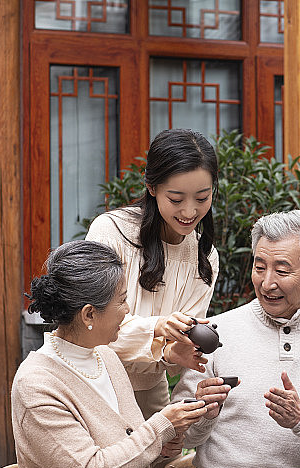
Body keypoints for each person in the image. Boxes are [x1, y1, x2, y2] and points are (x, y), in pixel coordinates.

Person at [12, 240, 211, 468]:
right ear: (89, 314)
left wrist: (171, 438)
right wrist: (160, 427)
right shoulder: (37, 385)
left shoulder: (106, 357)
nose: (128, 309)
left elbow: (130, 449)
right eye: (121, 300)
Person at [171, 210, 300, 468]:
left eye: (281, 270)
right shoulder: (215, 332)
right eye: (259, 267)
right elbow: (179, 436)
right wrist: (203, 414)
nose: (267, 283)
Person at [86, 128, 220, 420]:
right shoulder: (111, 233)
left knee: (162, 461)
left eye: (202, 197)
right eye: (175, 198)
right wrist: (158, 327)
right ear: (151, 187)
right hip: (93, 384)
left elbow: (177, 346)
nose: (189, 210)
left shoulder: (204, 256)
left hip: (150, 390)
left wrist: (176, 350)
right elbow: (92, 327)